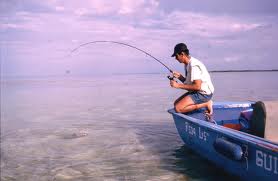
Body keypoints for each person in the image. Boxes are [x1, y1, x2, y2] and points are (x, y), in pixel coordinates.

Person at [170, 43, 214, 116]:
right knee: (176, 104)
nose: (176, 58)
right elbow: (190, 84)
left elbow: (197, 86)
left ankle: (206, 103)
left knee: (178, 108)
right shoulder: (187, 64)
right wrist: (180, 77)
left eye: (176, 56)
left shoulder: (194, 65)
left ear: (182, 54)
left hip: (203, 94)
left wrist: (177, 85)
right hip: (197, 91)